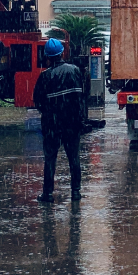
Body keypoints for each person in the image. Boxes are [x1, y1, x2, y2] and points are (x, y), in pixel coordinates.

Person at [34, 37, 84, 203]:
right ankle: (75, 192)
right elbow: (81, 98)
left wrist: (50, 114)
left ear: (47, 56)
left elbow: (38, 102)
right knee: (74, 158)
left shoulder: (45, 76)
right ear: (62, 53)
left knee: (50, 159)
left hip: (52, 125)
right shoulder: (75, 70)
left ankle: (47, 194)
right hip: (72, 123)